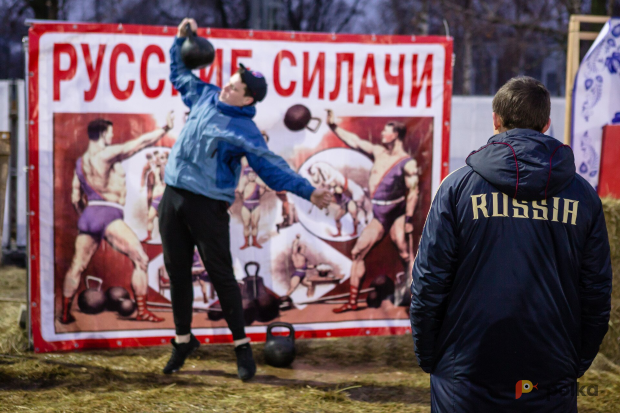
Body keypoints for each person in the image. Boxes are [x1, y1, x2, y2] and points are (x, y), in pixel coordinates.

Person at [410, 76, 612, 412]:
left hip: (465, 368)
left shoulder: (457, 188)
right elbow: (597, 292)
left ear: (496, 120)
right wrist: (576, 361)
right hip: (549, 368)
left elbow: (429, 281)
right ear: (547, 124)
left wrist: (430, 355)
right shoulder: (584, 197)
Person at [160, 18, 332, 381]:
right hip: (173, 196)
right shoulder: (204, 94)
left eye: (236, 86)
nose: (227, 85)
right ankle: (182, 340)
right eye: (231, 80)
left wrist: (310, 191)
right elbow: (178, 73)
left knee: (223, 276)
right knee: (177, 273)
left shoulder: (246, 131)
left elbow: (273, 169)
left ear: (249, 98)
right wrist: (178, 41)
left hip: (207, 207)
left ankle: (241, 347)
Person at [61, 113, 174, 324]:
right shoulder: (105, 154)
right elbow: (137, 144)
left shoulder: (81, 163)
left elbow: (75, 197)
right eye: (110, 133)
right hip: (108, 213)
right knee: (141, 259)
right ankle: (142, 311)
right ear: (103, 134)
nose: (112, 137)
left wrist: (87, 217)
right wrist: (164, 129)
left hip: (89, 215)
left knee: (77, 266)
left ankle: (65, 313)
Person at [325, 110, 419, 313]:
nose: (383, 135)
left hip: (398, 213)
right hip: (379, 213)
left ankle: (415, 297)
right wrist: (333, 127)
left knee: (405, 251)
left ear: (396, 135)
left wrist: (409, 218)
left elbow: (413, 191)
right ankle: (352, 301)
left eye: (386, 132)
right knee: (357, 252)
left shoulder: (407, 162)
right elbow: (355, 141)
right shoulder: (378, 152)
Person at [237, 167, 268, 249]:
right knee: (246, 225)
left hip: (256, 205)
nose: (252, 177)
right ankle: (246, 243)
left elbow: (265, 189)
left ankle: (254, 242)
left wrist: (261, 184)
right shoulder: (244, 183)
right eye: (250, 175)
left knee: (254, 225)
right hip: (246, 205)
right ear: (247, 176)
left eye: (253, 175)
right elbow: (240, 191)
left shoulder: (258, 185)